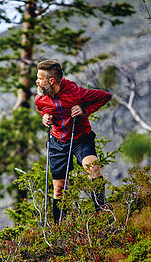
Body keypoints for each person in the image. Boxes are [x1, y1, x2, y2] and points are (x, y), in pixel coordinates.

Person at [35, 60, 112, 223]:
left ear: (51, 81)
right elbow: (41, 109)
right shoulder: (40, 99)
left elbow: (105, 96)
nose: (36, 81)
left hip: (80, 139)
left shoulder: (75, 93)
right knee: (59, 189)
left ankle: (102, 214)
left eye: (40, 78)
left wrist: (85, 110)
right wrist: (45, 118)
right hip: (57, 142)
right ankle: (59, 229)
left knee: (93, 169)